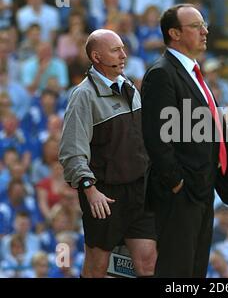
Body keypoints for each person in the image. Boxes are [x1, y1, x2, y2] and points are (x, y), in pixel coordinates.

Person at [141, 4, 228, 277]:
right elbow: (156, 136)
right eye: (196, 26)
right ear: (174, 33)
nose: (205, 31)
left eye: (204, 25)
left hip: (202, 188)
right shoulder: (162, 73)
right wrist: (176, 182)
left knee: (195, 269)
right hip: (180, 193)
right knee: (177, 270)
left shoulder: (194, 72)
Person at [59, 29, 157, 278]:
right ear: (96, 56)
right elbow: (71, 151)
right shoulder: (83, 95)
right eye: (115, 50)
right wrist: (90, 190)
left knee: (147, 263)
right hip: (105, 195)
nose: (123, 55)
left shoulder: (130, 87)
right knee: (96, 267)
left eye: (123, 48)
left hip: (140, 190)